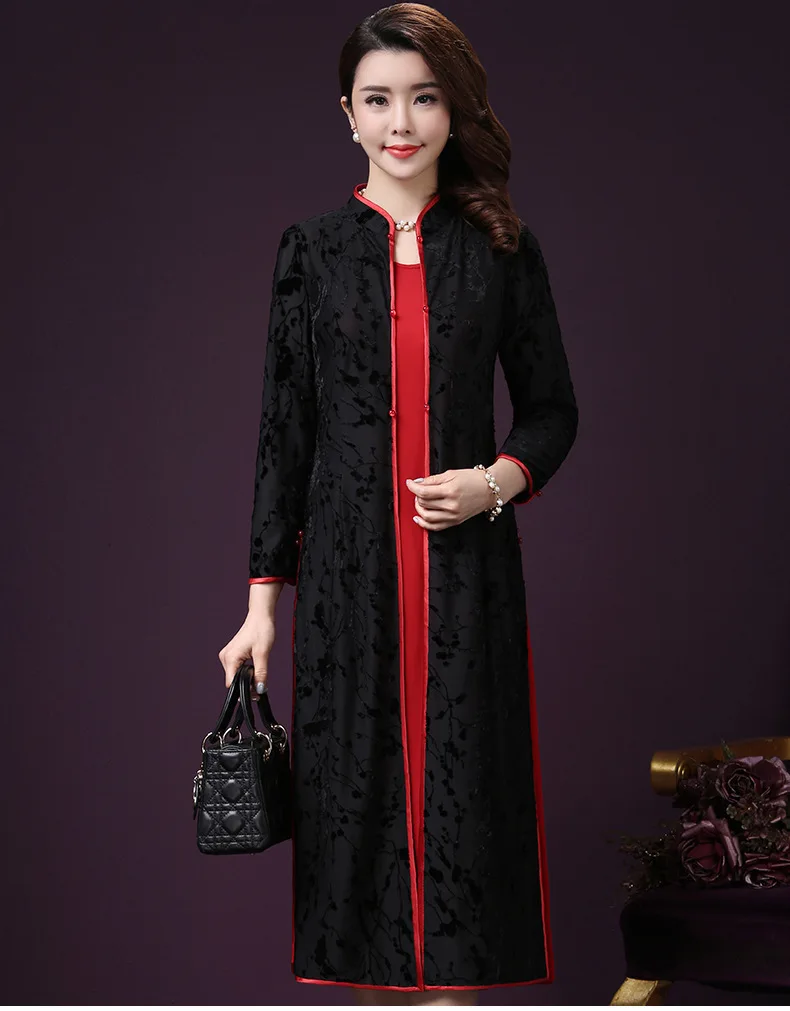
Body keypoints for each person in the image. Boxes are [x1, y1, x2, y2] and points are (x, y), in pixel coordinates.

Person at [218, 3, 578, 1005]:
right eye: (377, 100)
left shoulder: (503, 248)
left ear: (454, 110)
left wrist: (493, 482)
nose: (402, 122)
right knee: (357, 839)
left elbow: (552, 411)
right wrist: (260, 610)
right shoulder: (310, 251)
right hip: (348, 590)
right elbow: (282, 436)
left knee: (465, 837)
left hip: (467, 585)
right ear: (347, 113)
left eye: (423, 98)